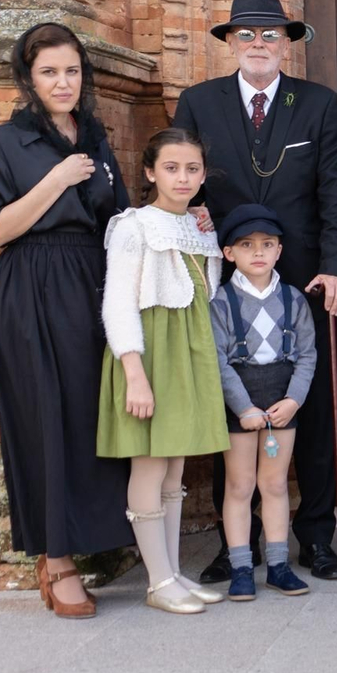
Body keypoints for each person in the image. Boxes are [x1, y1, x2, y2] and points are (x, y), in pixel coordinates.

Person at [173, 0, 337, 584]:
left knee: (315, 410)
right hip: (227, 283)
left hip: (302, 279)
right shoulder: (198, 103)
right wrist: (193, 211)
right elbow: (185, 180)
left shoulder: (319, 104)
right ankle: (239, 543)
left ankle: (316, 537)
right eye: (246, 34)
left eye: (270, 35)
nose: (258, 44)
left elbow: (334, 193)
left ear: (287, 44)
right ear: (229, 41)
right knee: (236, 412)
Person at [0, 24, 137, 618]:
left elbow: (118, 222)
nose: (63, 83)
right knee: (44, 414)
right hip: (34, 285)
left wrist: (180, 223)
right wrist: (56, 180)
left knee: (91, 411)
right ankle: (55, 560)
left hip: (93, 282)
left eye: (71, 70)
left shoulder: (94, 137)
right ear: (28, 79)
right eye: (49, 73)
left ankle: (95, 539)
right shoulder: (5, 142)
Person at [96, 128, 231, 614]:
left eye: (192, 169)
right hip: (151, 353)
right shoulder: (133, 226)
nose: (183, 177)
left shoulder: (199, 225)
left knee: (175, 466)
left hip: (189, 351)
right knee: (150, 465)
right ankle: (156, 582)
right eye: (171, 168)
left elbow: (206, 293)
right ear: (151, 172)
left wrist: (206, 232)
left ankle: (173, 572)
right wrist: (135, 373)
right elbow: (117, 304)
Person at [209, 204, 319, 600]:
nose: (258, 252)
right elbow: (217, 361)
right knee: (239, 486)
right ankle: (241, 568)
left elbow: (307, 354)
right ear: (229, 253)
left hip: (281, 401)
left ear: (279, 251)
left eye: (267, 244)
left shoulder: (293, 299)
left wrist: (294, 400)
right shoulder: (221, 302)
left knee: (274, 484)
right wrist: (243, 407)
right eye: (247, 245)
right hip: (241, 401)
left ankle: (278, 566)